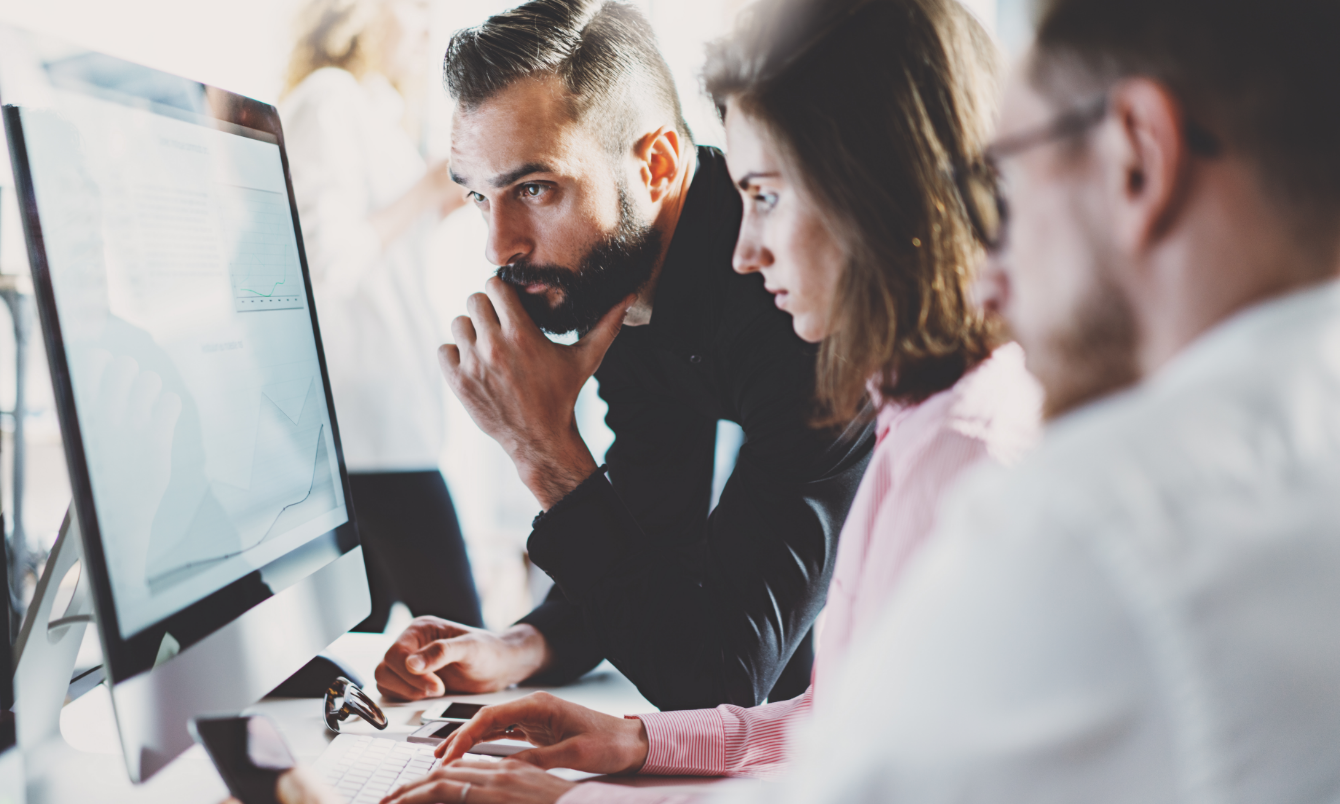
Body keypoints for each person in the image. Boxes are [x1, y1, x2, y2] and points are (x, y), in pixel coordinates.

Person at [398, 0, 1340, 799]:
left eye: (1009, 168)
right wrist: (631, 737)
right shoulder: (932, 426)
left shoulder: (1043, 503)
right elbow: (833, 713)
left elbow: (830, 760)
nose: (987, 233)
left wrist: (545, 460)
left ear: (1136, 160)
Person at [374, 0, 878, 711]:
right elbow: (650, 542)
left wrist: (544, 450)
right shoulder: (617, 276)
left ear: (659, 164)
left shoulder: (796, 298)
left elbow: (721, 672)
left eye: (536, 188)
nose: (499, 246)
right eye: (480, 198)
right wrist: (514, 648)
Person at [281, 0, 483, 632]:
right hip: (370, 438)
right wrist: (422, 193)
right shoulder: (328, 100)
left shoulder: (375, 114)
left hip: (388, 429)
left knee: (355, 653)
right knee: (464, 640)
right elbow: (322, 260)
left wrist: (433, 206)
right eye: (415, 8)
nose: (427, 27)